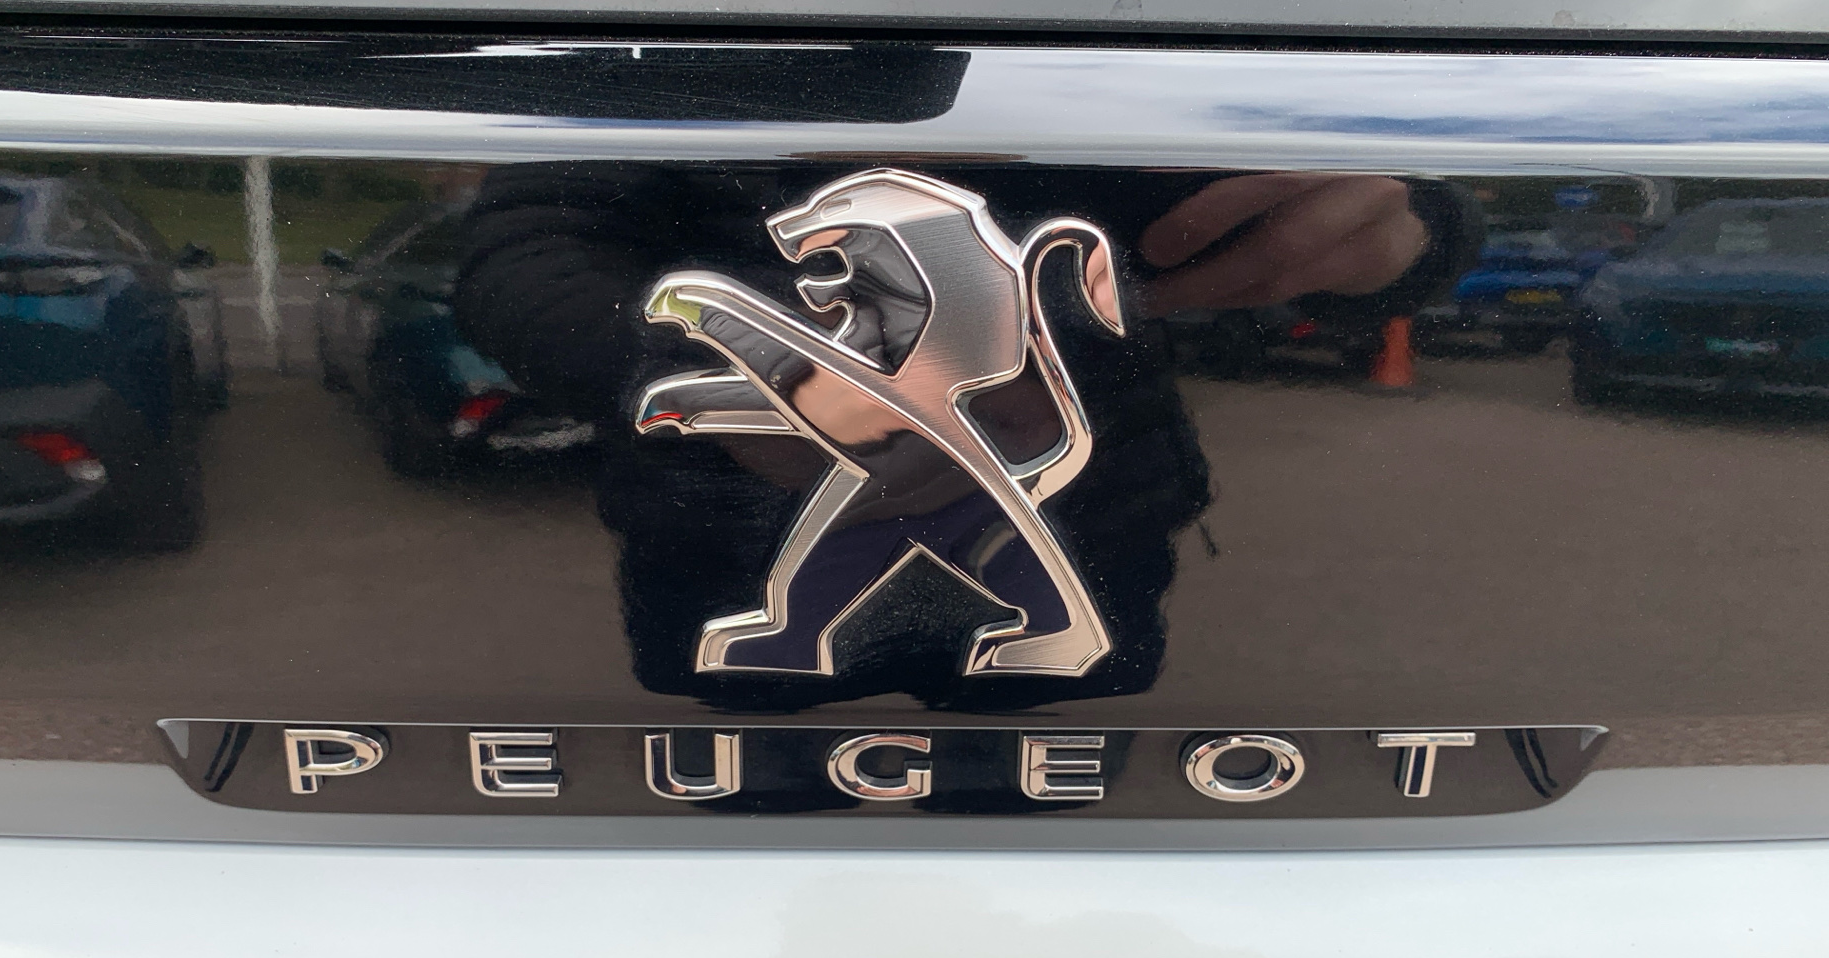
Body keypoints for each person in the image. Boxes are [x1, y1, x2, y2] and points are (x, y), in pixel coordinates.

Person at [454, 164, 1477, 711]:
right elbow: (522, 247)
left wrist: (1408, 219)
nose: (820, 273)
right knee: (751, 827)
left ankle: (1043, 635)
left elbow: (1405, 196)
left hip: (1091, 511)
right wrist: (654, 364)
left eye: (836, 258)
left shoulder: (949, 298)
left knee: (1074, 857)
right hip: (716, 532)